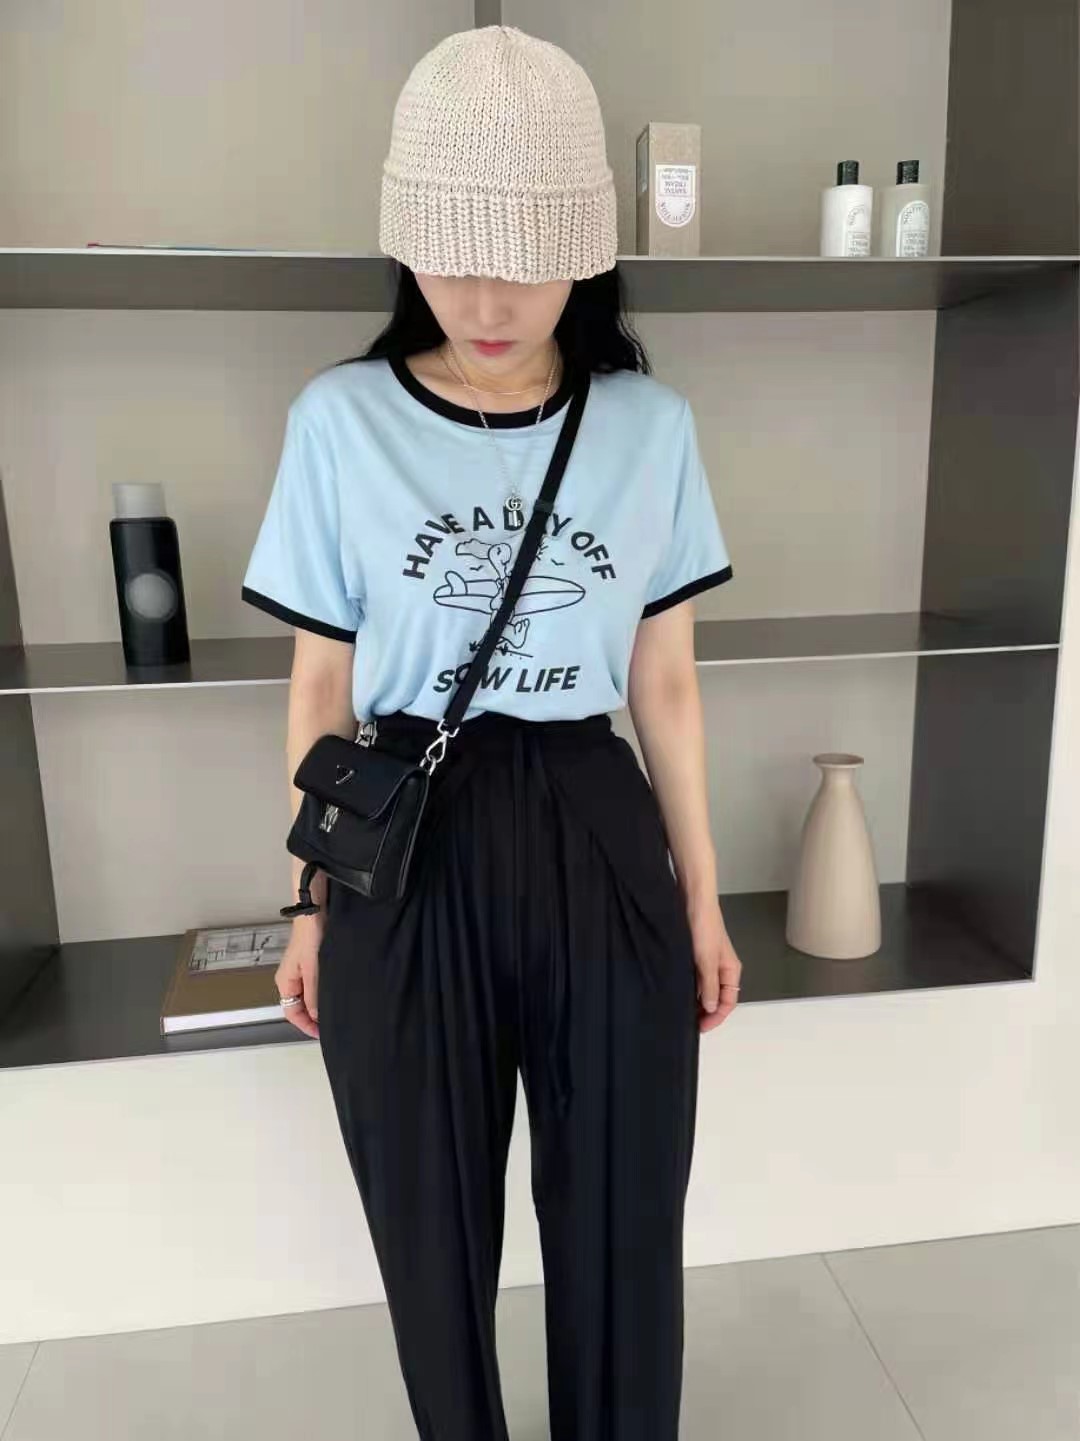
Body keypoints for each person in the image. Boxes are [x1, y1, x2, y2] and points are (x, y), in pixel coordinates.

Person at [242, 23, 742, 1441]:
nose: (485, 296)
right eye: (454, 256)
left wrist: (702, 900)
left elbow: (666, 685)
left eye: (522, 257)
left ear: (583, 250)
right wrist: (308, 900)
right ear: (411, 244)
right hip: (408, 837)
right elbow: (319, 692)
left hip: (594, 813)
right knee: (427, 1219)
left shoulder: (649, 425)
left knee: (624, 1216)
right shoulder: (340, 421)